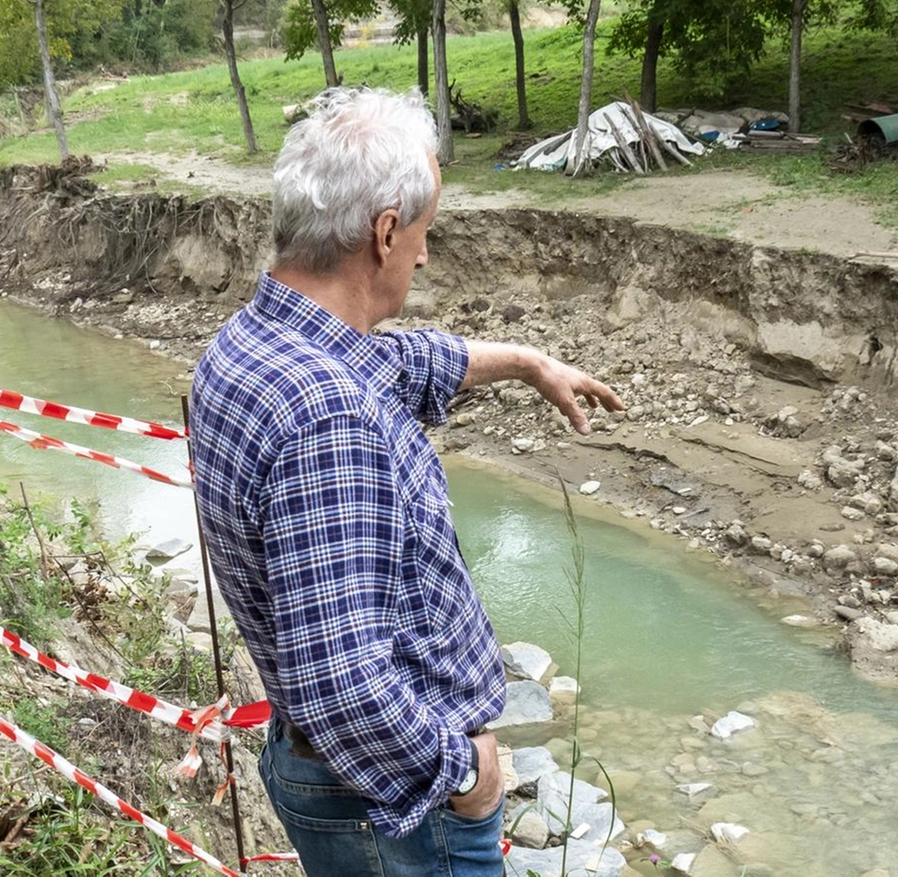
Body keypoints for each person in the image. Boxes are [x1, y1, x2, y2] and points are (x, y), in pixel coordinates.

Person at [189, 86, 624, 877]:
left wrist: (527, 363)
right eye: (422, 234)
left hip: (328, 779)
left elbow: (411, 361)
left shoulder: (254, 344)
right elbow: (342, 682)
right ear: (385, 232)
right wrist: (464, 776)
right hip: (392, 813)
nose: (424, 256)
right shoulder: (328, 417)